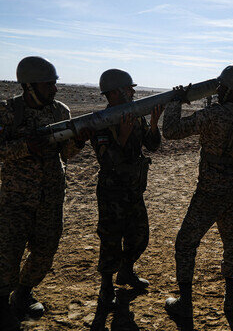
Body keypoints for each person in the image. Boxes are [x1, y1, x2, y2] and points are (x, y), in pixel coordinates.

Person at [162, 65, 233, 327]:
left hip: (208, 193)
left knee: (185, 244)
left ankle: (185, 303)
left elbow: (170, 131)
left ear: (227, 89)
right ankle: (230, 297)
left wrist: (175, 101)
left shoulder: (211, 115)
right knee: (231, 245)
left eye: (220, 86)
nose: (218, 90)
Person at [0, 57, 89, 330]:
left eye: (54, 83)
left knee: (45, 252)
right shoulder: (9, 112)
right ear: (29, 86)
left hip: (51, 198)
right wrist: (27, 147)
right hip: (16, 199)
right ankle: (2, 302)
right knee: (7, 254)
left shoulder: (60, 111)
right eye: (49, 84)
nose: (55, 89)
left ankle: (23, 295)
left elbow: (67, 154)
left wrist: (79, 141)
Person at [89, 69, 163, 310]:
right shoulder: (101, 122)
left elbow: (152, 145)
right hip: (112, 192)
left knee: (139, 236)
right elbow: (108, 161)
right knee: (110, 239)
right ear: (114, 92)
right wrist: (122, 135)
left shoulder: (135, 116)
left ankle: (126, 273)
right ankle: (107, 286)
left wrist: (153, 123)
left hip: (133, 189)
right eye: (128, 88)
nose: (133, 92)